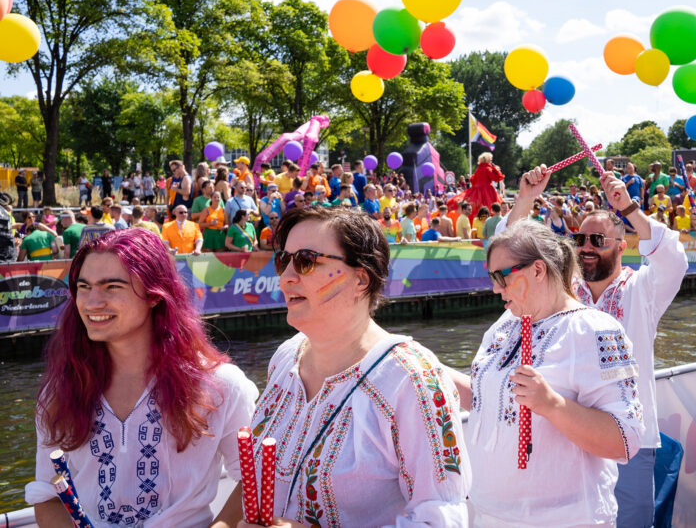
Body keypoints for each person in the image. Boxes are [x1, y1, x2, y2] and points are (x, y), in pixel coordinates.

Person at [211, 206, 470, 527]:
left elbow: (441, 519)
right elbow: (257, 484)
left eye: (305, 261)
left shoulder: (411, 379)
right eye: (283, 260)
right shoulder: (285, 359)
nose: (286, 276)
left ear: (361, 279)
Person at [27, 228, 258, 526]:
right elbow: (48, 491)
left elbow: (252, 480)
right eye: (84, 287)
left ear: (154, 295)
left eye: (112, 287)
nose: (92, 302)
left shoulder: (221, 385)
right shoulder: (60, 390)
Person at [503, 166, 689, 525]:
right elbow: (511, 256)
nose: (586, 247)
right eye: (580, 239)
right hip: (565, 433)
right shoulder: (564, 291)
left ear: (622, 245)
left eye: (597, 241)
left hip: (628, 439)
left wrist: (630, 208)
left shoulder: (643, 290)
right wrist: (525, 198)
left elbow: (673, 259)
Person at [444, 219, 642, 525]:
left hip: (564, 519)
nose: (495, 288)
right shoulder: (505, 325)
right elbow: (488, 399)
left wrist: (552, 405)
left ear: (537, 270)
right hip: (488, 514)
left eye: (501, 276)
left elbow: (625, 440)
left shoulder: (593, 329)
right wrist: (429, 368)